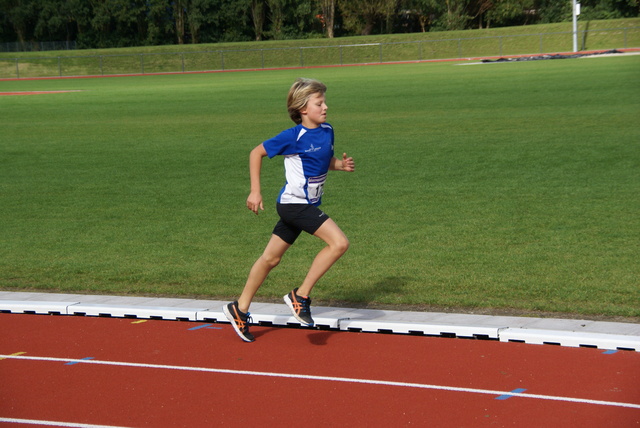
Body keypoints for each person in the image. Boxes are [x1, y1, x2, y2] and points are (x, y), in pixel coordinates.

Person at [223, 77, 355, 342]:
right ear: (303, 109)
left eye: (325, 101)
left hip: (303, 206)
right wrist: (255, 190)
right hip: (294, 205)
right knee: (339, 243)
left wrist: (339, 166)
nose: (326, 106)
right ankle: (300, 296)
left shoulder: (327, 130)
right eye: (319, 103)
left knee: (271, 259)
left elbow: (319, 161)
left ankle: (239, 308)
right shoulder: (292, 136)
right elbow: (255, 153)